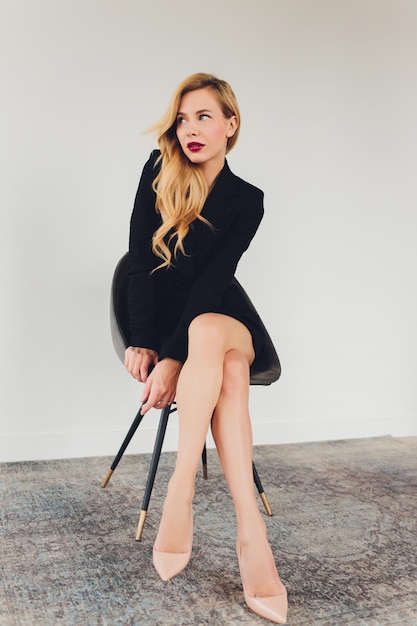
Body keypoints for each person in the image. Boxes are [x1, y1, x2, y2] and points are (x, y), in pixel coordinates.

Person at [124, 73, 287, 624]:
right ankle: (251, 535)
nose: (191, 129)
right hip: (185, 334)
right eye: (184, 117)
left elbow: (213, 282)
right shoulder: (158, 171)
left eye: (205, 117)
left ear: (231, 125)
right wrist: (147, 340)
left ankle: (180, 491)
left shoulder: (248, 200)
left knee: (208, 332)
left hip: (225, 319)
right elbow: (137, 263)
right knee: (230, 378)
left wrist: (173, 358)